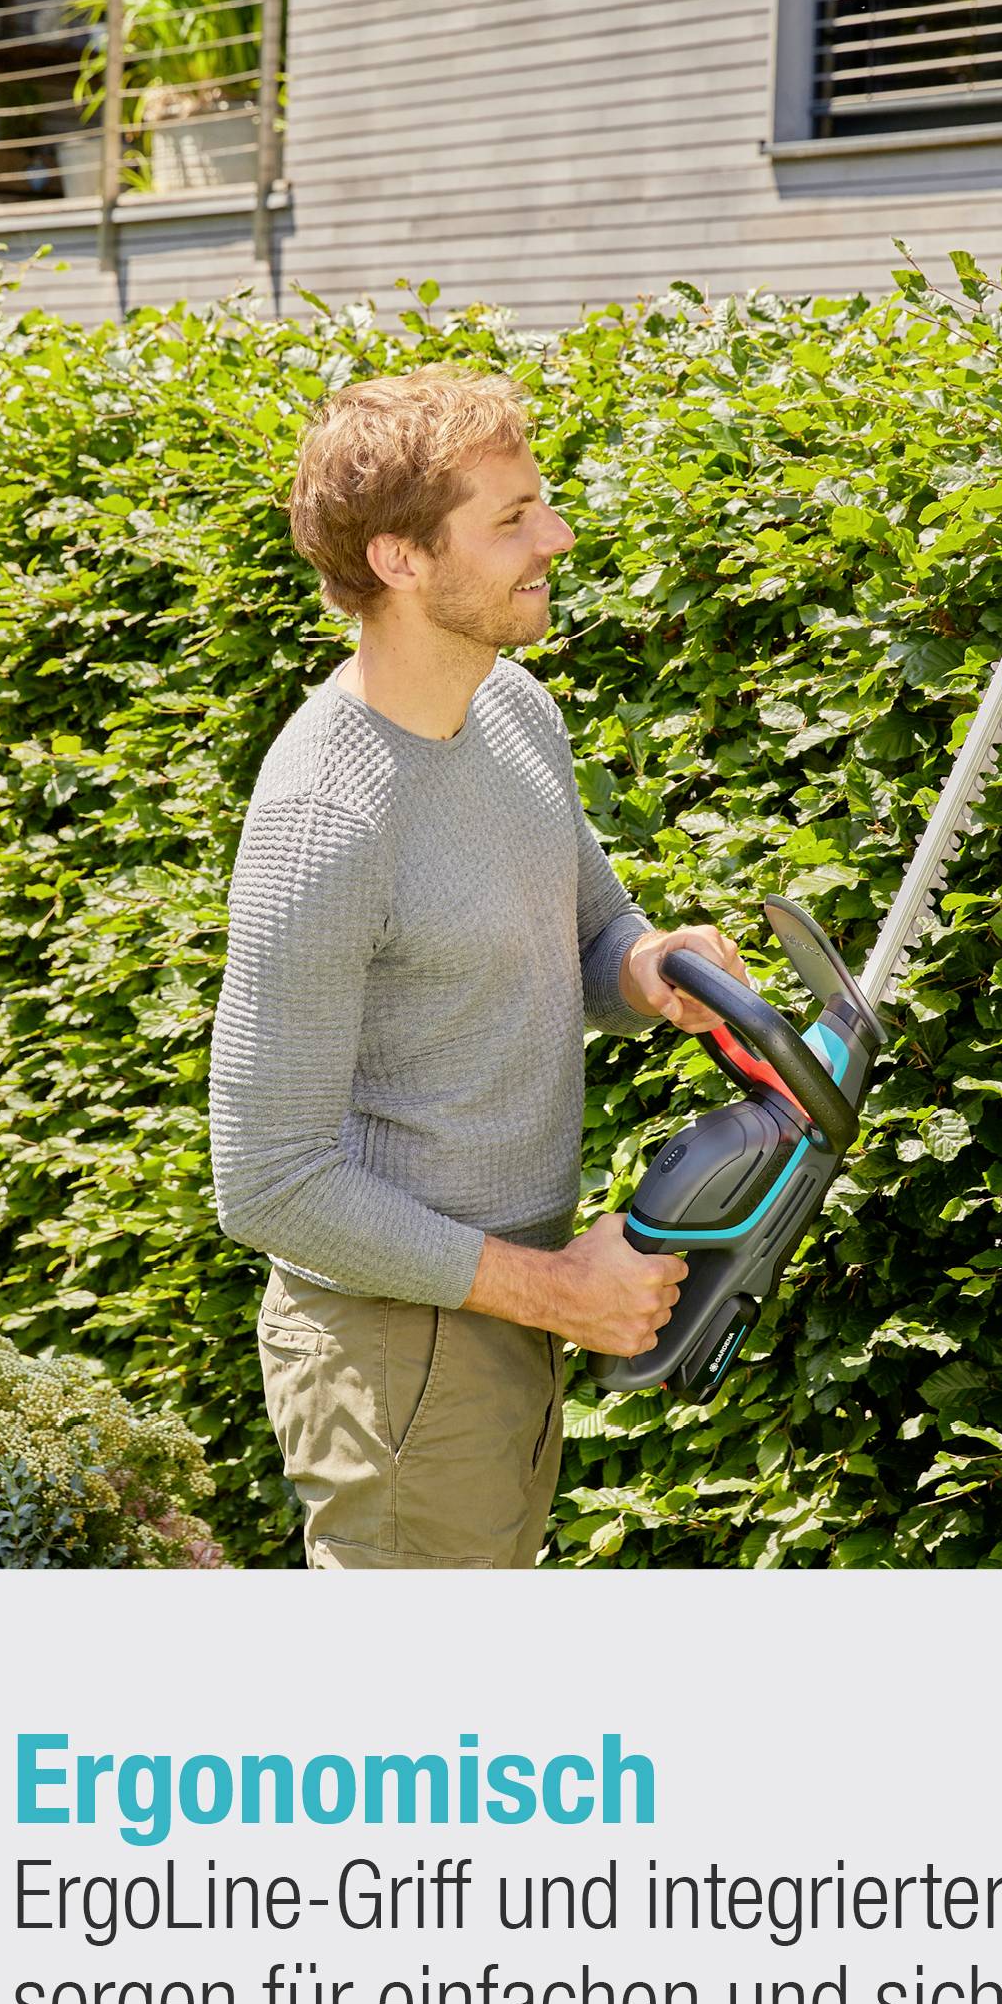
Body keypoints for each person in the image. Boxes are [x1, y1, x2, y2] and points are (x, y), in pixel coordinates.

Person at [208, 367, 750, 1569]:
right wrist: (556, 1292)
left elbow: (589, 931)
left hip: (501, 1306)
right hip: (398, 1349)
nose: (554, 536)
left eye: (540, 504)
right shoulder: (326, 812)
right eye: (511, 518)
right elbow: (268, 1181)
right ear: (401, 559)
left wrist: (653, 967)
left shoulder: (511, 711)